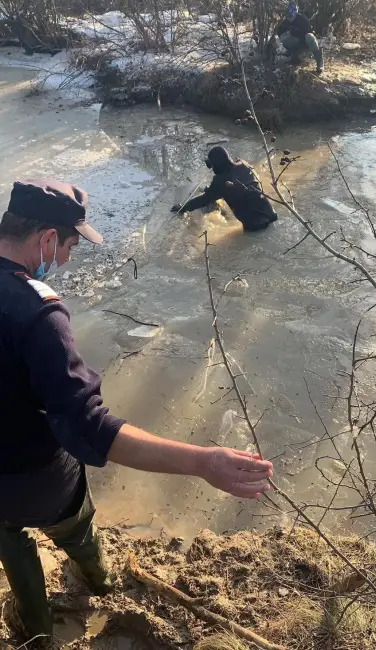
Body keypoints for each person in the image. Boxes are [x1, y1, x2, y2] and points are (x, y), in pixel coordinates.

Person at [0, 179, 274, 642]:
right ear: (47, 238)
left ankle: (37, 632)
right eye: (68, 246)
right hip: (37, 478)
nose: (65, 259)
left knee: (11, 538)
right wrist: (201, 461)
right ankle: (100, 581)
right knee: (75, 526)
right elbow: (89, 427)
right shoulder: (37, 313)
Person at [171, 146, 278, 232]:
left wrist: (182, 208)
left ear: (216, 165)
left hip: (255, 227)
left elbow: (203, 200)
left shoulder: (221, 181)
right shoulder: (244, 164)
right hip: (272, 215)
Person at [275, 2, 324, 74]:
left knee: (309, 37)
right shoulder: (284, 22)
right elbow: (279, 32)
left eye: (291, 16)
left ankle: (319, 62)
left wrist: (294, 33)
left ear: (295, 13)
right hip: (295, 42)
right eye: (288, 16)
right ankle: (295, 58)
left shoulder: (302, 19)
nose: (289, 18)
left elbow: (307, 32)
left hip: (305, 42)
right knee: (284, 38)